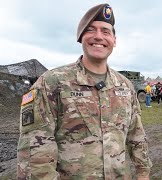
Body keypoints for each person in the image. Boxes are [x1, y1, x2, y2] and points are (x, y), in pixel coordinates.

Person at [17, 3, 152, 179]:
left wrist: (143, 172)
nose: (98, 36)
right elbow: (35, 152)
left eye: (105, 31)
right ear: (81, 37)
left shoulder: (125, 86)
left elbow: (136, 135)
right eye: (91, 30)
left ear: (114, 40)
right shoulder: (51, 83)